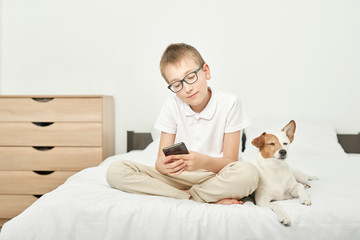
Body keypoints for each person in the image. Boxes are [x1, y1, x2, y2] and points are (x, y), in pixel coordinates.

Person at [106, 43, 259, 204]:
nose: (187, 89)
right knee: (116, 170)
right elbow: (160, 161)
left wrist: (202, 162)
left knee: (249, 174)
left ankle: (183, 195)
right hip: (179, 178)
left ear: (206, 71)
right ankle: (195, 197)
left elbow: (230, 160)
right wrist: (162, 165)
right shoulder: (171, 105)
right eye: (177, 84)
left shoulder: (230, 103)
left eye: (191, 77)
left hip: (217, 175)